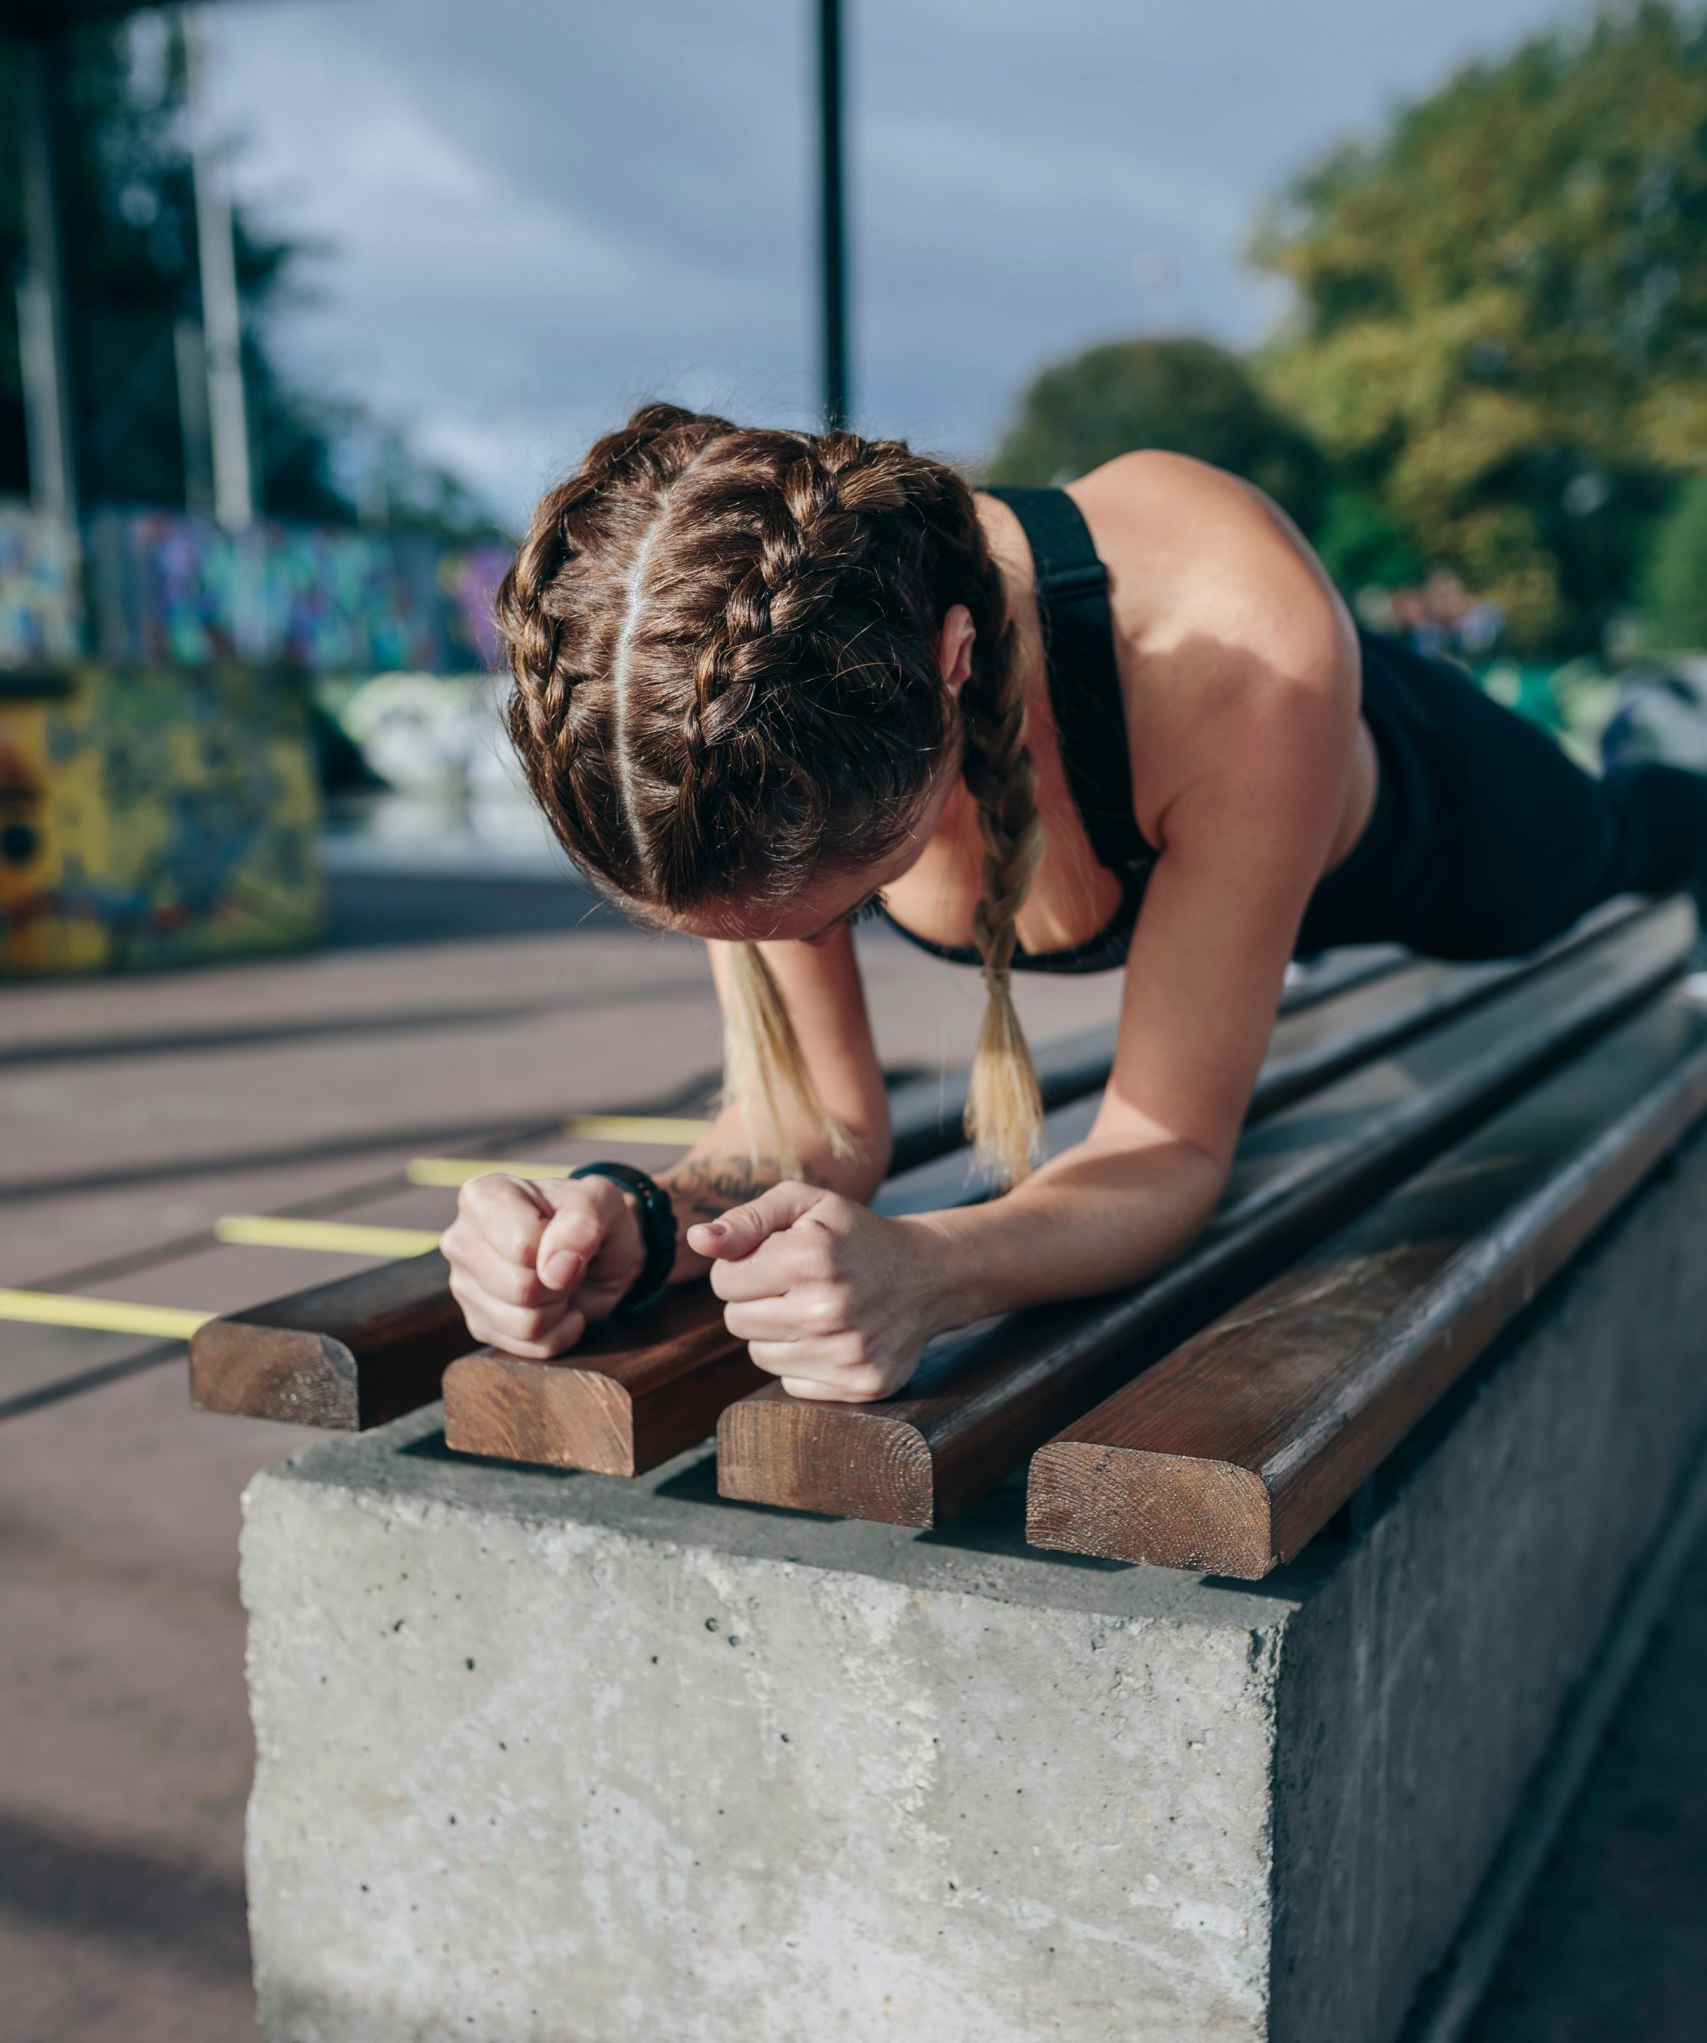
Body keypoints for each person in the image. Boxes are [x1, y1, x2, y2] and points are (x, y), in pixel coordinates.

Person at [442, 404, 1707, 1404]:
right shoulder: (734, 735)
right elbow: (821, 1122)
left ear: (952, 670)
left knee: (1605, 852)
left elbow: (1168, 1150)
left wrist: (937, 1270)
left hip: (1419, 818)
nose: (803, 950)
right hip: (1212, 841)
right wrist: (634, 1219)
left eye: (842, 911)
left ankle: (1671, 769)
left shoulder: (1239, 638)